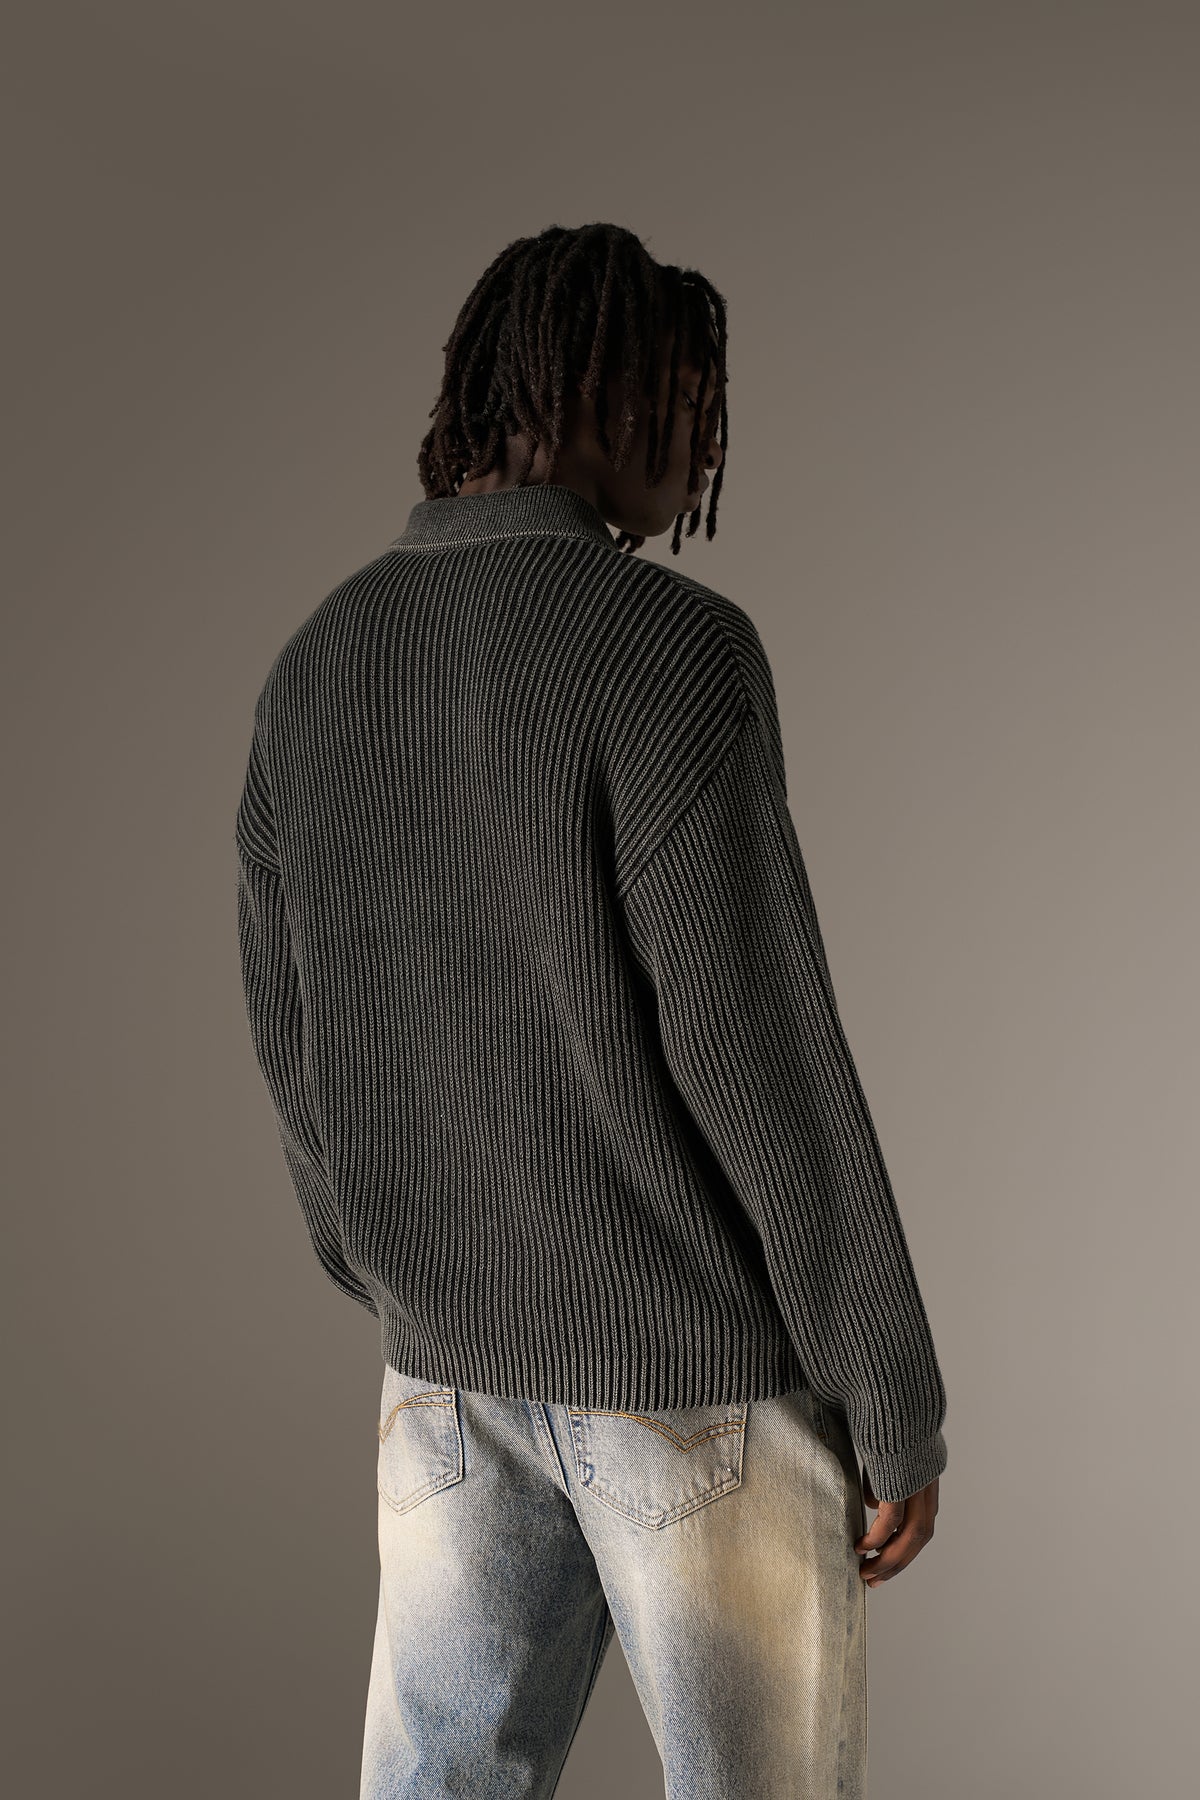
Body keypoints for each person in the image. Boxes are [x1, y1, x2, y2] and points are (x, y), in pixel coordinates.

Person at [235, 221, 949, 1799]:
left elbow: (291, 1039)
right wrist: (891, 1390)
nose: (708, 445)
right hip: (696, 1387)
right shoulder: (670, 649)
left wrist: (396, 1266)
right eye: (687, 399)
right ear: (582, 391)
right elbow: (761, 1048)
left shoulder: (317, 664)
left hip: (441, 1377)